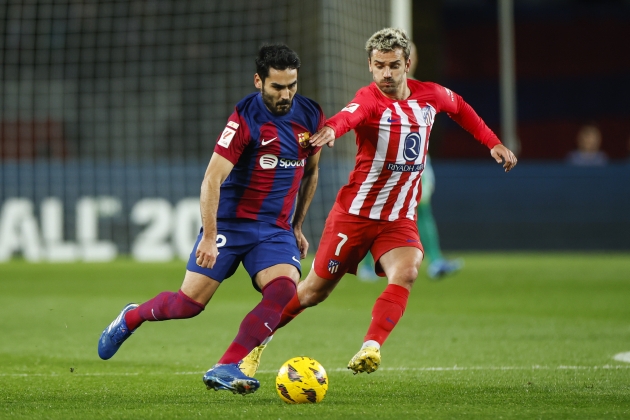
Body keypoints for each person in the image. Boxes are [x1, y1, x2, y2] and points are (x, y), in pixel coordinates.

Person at [242, 28, 517, 376]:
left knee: (407, 271)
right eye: (379, 66)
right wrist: (330, 130)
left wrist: (491, 141)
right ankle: (252, 346)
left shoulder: (430, 95)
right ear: (370, 66)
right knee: (312, 292)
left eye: (393, 66)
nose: (386, 73)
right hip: (354, 216)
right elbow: (349, 116)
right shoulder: (369, 99)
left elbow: (460, 107)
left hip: (399, 217)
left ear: (407, 64)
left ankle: (371, 346)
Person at [97, 44, 325, 395]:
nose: (286, 94)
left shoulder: (310, 115)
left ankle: (227, 364)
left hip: (273, 230)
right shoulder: (244, 120)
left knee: (282, 290)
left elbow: (311, 171)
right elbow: (211, 180)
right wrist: (209, 236)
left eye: (292, 85)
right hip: (231, 225)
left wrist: (296, 225)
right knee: (188, 305)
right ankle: (132, 316)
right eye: (277, 87)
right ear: (258, 82)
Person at [357, 41, 462, 281]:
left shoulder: (421, 92)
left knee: (422, 209)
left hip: (417, 163)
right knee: (375, 214)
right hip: (385, 165)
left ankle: (435, 261)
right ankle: (365, 266)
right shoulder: (378, 92)